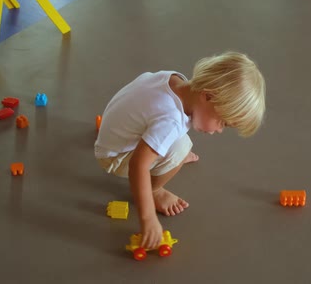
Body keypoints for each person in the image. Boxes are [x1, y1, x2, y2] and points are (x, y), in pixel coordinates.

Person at [95, 52, 266, 249]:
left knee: (175, 142)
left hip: (113, 135)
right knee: (181, 147)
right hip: (114, 157)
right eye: (223, 123)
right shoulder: (171, 121)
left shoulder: (175, 80)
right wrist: (148, 218)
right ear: (207, 96)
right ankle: (155, 190)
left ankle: (162, 154)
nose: (219, 130)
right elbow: (137, 165)